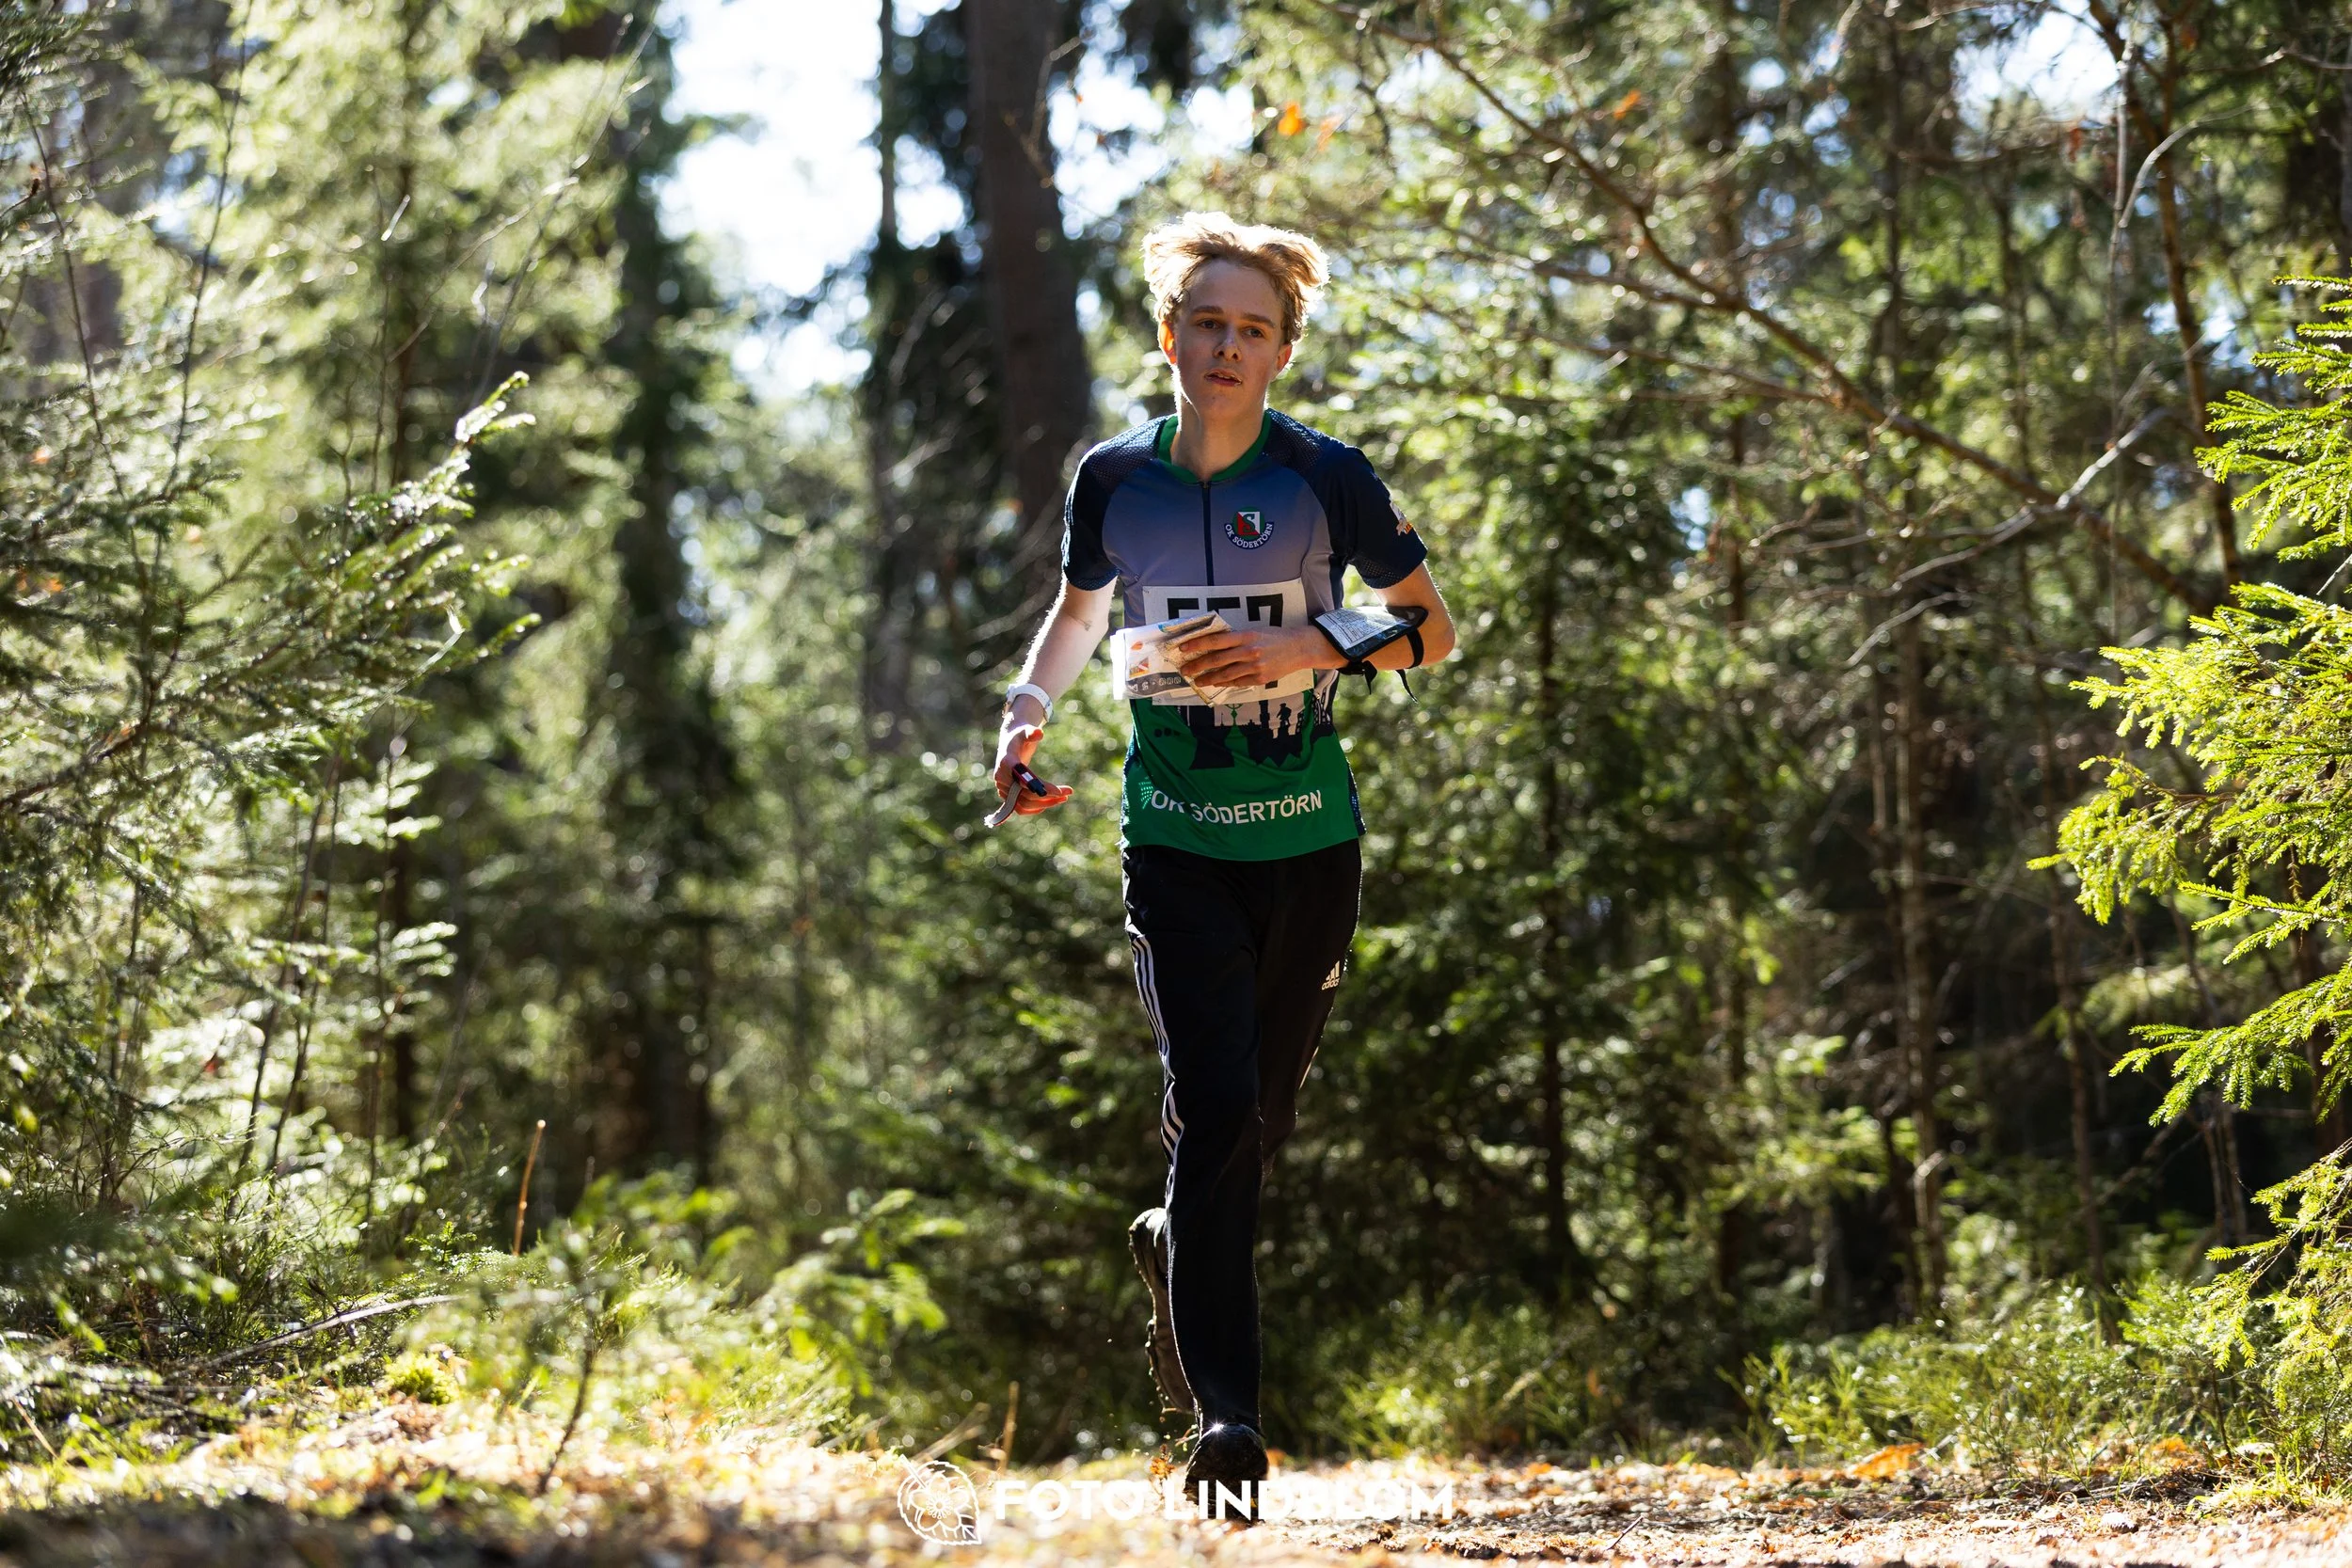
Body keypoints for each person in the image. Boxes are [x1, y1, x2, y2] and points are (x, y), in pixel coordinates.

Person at [989, 212, 1456, 1513]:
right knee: (1211, 1102)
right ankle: (1228, 1420)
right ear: (1169, 336)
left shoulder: (1328, 478)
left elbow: (1430, 628)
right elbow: (1081, 611)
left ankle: (1173, 1240)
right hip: (1176, 838)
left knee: (1254, 1124)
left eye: (1254, 329)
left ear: (1284, 352)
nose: (1228, 346)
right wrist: (1026, 710)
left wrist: (1309, 645)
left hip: (1309, 842)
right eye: (1208, 322)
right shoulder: (1112, 480)